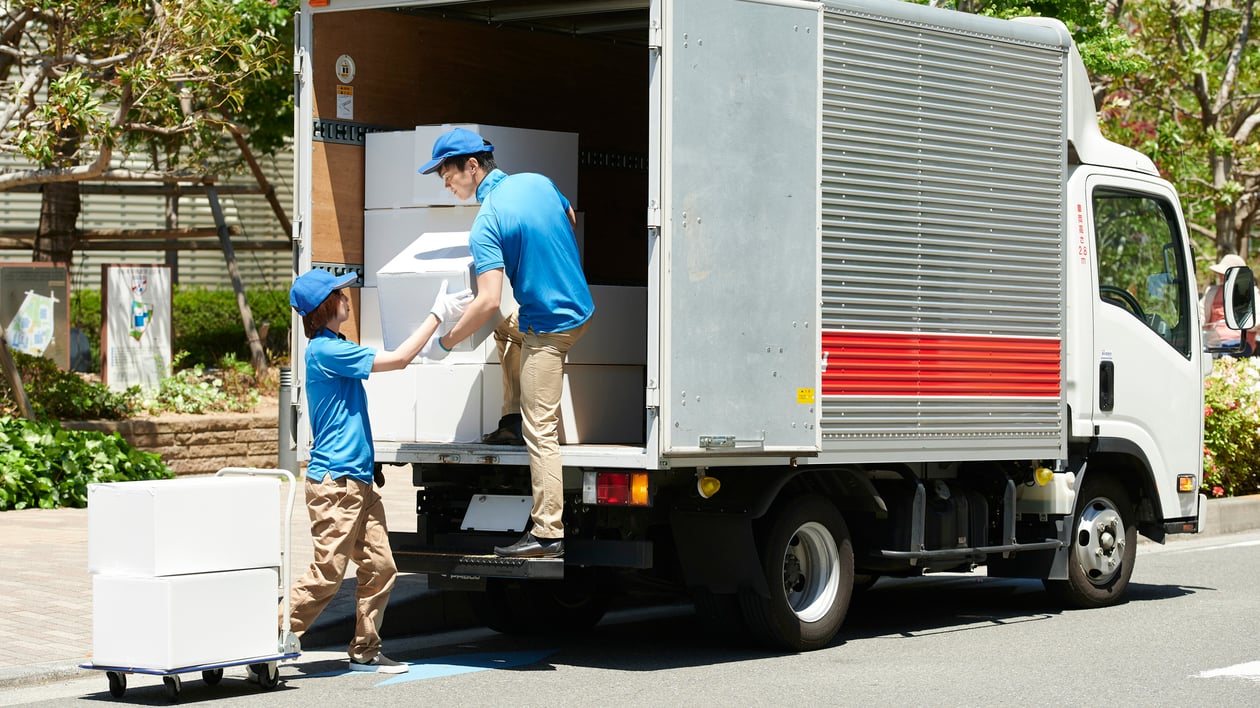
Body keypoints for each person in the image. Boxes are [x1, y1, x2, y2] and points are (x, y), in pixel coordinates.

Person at [418, 127, 594, 559]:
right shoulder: (538, 182)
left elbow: (487, 300)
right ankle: (509, 419)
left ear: (472, 166)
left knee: (542, 432)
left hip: (550, 330)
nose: (446, 183)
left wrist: (446, 341)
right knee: (503, 327)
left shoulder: (486, 221)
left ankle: (548, 535)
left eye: (447, 173)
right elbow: (569, 216)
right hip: (576, 307)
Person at [286, 268, 472, 672]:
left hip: (357, 482)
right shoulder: (325, 351)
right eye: (341, 292)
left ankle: (365, 650)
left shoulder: (334, 344)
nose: (349, 296)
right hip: (336, 484)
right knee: (328, 573)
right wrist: (438, 315)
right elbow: (401, 359)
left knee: (381, 566)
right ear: (325, 305)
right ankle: (267, 632)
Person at [1200, 253, 1258, 356]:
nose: (1221, 276)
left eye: (1225, 273)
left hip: (1241, 343)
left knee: (1222, 354)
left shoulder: (1250, 293)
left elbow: (1256, 320)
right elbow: (1200, 314)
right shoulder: (1212, 292)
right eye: (1221, 273)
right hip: (1213, 342)